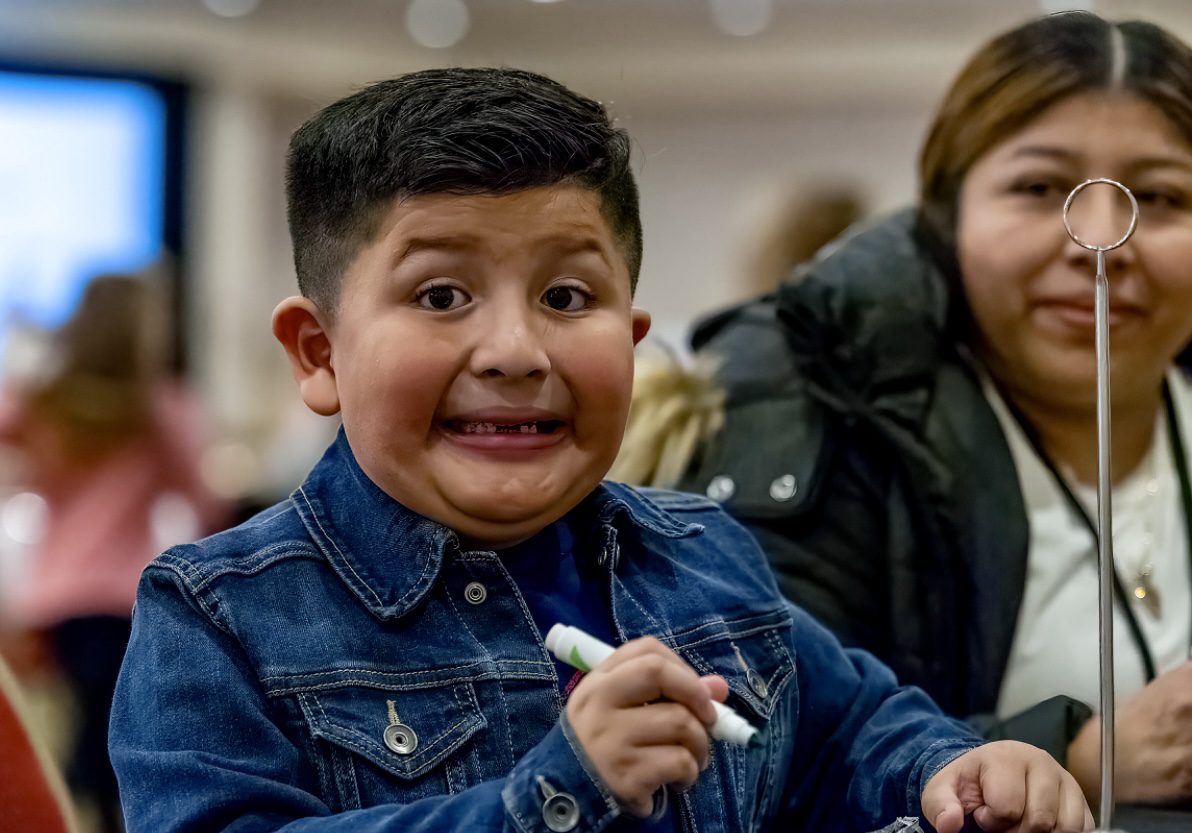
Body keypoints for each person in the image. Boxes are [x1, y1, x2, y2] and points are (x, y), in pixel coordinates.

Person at [108, 67, 1091, 833]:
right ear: (319, 354)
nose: (515, 351)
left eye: (567, 297)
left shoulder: (704, 553)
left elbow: (853, 728)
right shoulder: (221, 613)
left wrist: (956, 769)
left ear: (630, 337)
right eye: (441, 294)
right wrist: (550, 795)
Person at [672, 10, 1192, 809]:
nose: (1098, 243)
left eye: (1156, 196)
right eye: (1039, 188)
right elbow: (762, 749)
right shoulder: (828, 425)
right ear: (944, 223)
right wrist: (1078, 755)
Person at [0, 274, 227, 833]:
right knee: (114, 742)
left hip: (51, 601)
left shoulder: (43, 403)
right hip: (123, 600)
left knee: (67, 734)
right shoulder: (162, 410)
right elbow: (205, 502)